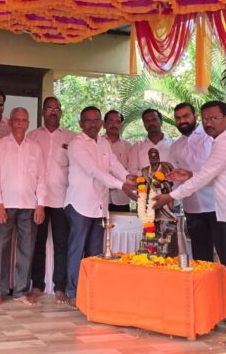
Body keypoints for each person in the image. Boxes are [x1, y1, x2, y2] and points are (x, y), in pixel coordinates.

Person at [153, 101, 226, 350]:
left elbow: (206, 175)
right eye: (206, 119)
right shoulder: (221, 142)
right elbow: (212, 175)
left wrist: (170, 196)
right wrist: (189, 175)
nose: (208, 123)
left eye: (214, 118)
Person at [169, 102, 226, 315]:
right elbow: (176, 179)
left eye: (186, 116)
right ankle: (207, 307)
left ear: (194, 116)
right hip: (192, 209)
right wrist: (167, 198)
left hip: (218, 207)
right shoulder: (176, 147)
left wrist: (173, 194)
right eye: (178, 118)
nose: (182, 121)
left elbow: (212, 174)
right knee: (201, 261)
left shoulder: (212, 139)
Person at [65, 106, 136, 305]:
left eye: (96, 119)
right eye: (88, 120)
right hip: (79, 204)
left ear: (101, 123)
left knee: (96, 251)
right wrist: (122, 185)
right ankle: (73, 292)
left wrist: (127, 177)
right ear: (81, 123)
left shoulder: (103, 143)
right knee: (77, 250)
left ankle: (91, 291)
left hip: (99, 205)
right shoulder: (76, 144)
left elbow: (114, 164)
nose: (93, 124)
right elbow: (94, 171)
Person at [0, 107, 46, 307]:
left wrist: (40, 204)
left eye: (24, 119)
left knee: (26, 249)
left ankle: (21, 291)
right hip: (6, 204)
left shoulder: (35, 148)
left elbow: (41, 178)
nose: (20, 122)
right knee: (0, 248)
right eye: (17, 119)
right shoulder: (0, 145)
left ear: (28, 123)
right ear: (11, 122)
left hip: (30, 205)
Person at [27, 96, 76, 304]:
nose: (53, 112)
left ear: (61, 112)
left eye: (57, 108)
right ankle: (37, 286)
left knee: (61, 244)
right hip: (37, 200)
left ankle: (60, 287)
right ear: (43, 112)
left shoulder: (71, 138)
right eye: (49, 108)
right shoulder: (32, 136)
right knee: (37, 243)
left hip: (62, 199)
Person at [128, 108, 174, 176]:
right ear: (144, 125)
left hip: (173, 182)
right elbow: (131, 170)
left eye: (154, 119)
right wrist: (148, 174)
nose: (151, 123)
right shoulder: (137, 146)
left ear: (161, 122)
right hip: (145, 182)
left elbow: (181, 166)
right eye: (147, 121)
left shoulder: (174, 144)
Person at [103, 110, 132, 212]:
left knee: (123, 222)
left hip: (122, 197)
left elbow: (130, 170)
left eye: (118, 122)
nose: (114, 124)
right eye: (110, 121)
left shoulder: (128, 146)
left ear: (121, 125)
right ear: (104, 124)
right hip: (100, 196)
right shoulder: (97, 143)